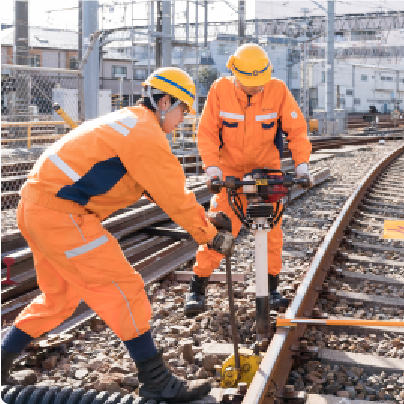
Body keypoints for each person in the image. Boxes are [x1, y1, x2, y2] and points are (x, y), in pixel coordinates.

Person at [1, 67, 235, 403]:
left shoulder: (126, 122)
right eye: (183, 110)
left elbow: (152, 189)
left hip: (37, 209)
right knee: (124, 288)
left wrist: (207, 218)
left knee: (58, 300)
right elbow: (174, 195)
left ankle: (0, 363)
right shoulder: (145, 133)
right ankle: (155, 380)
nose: (183, 119)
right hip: (63, 215)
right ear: (165, 101)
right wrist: (209, 235)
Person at [186, 43, 313, 316]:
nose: (255, 88)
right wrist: (213, 171)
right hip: (230, 175)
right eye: (249, 84)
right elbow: (207, 132)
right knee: (218, 231)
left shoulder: (278, 90)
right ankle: (197, 288)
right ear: (234, 74)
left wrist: (302, 167)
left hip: (268, 174)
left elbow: (297, 131)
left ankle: (271, 288)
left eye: (259, 83)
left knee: (271, 233)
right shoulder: (220, 91)